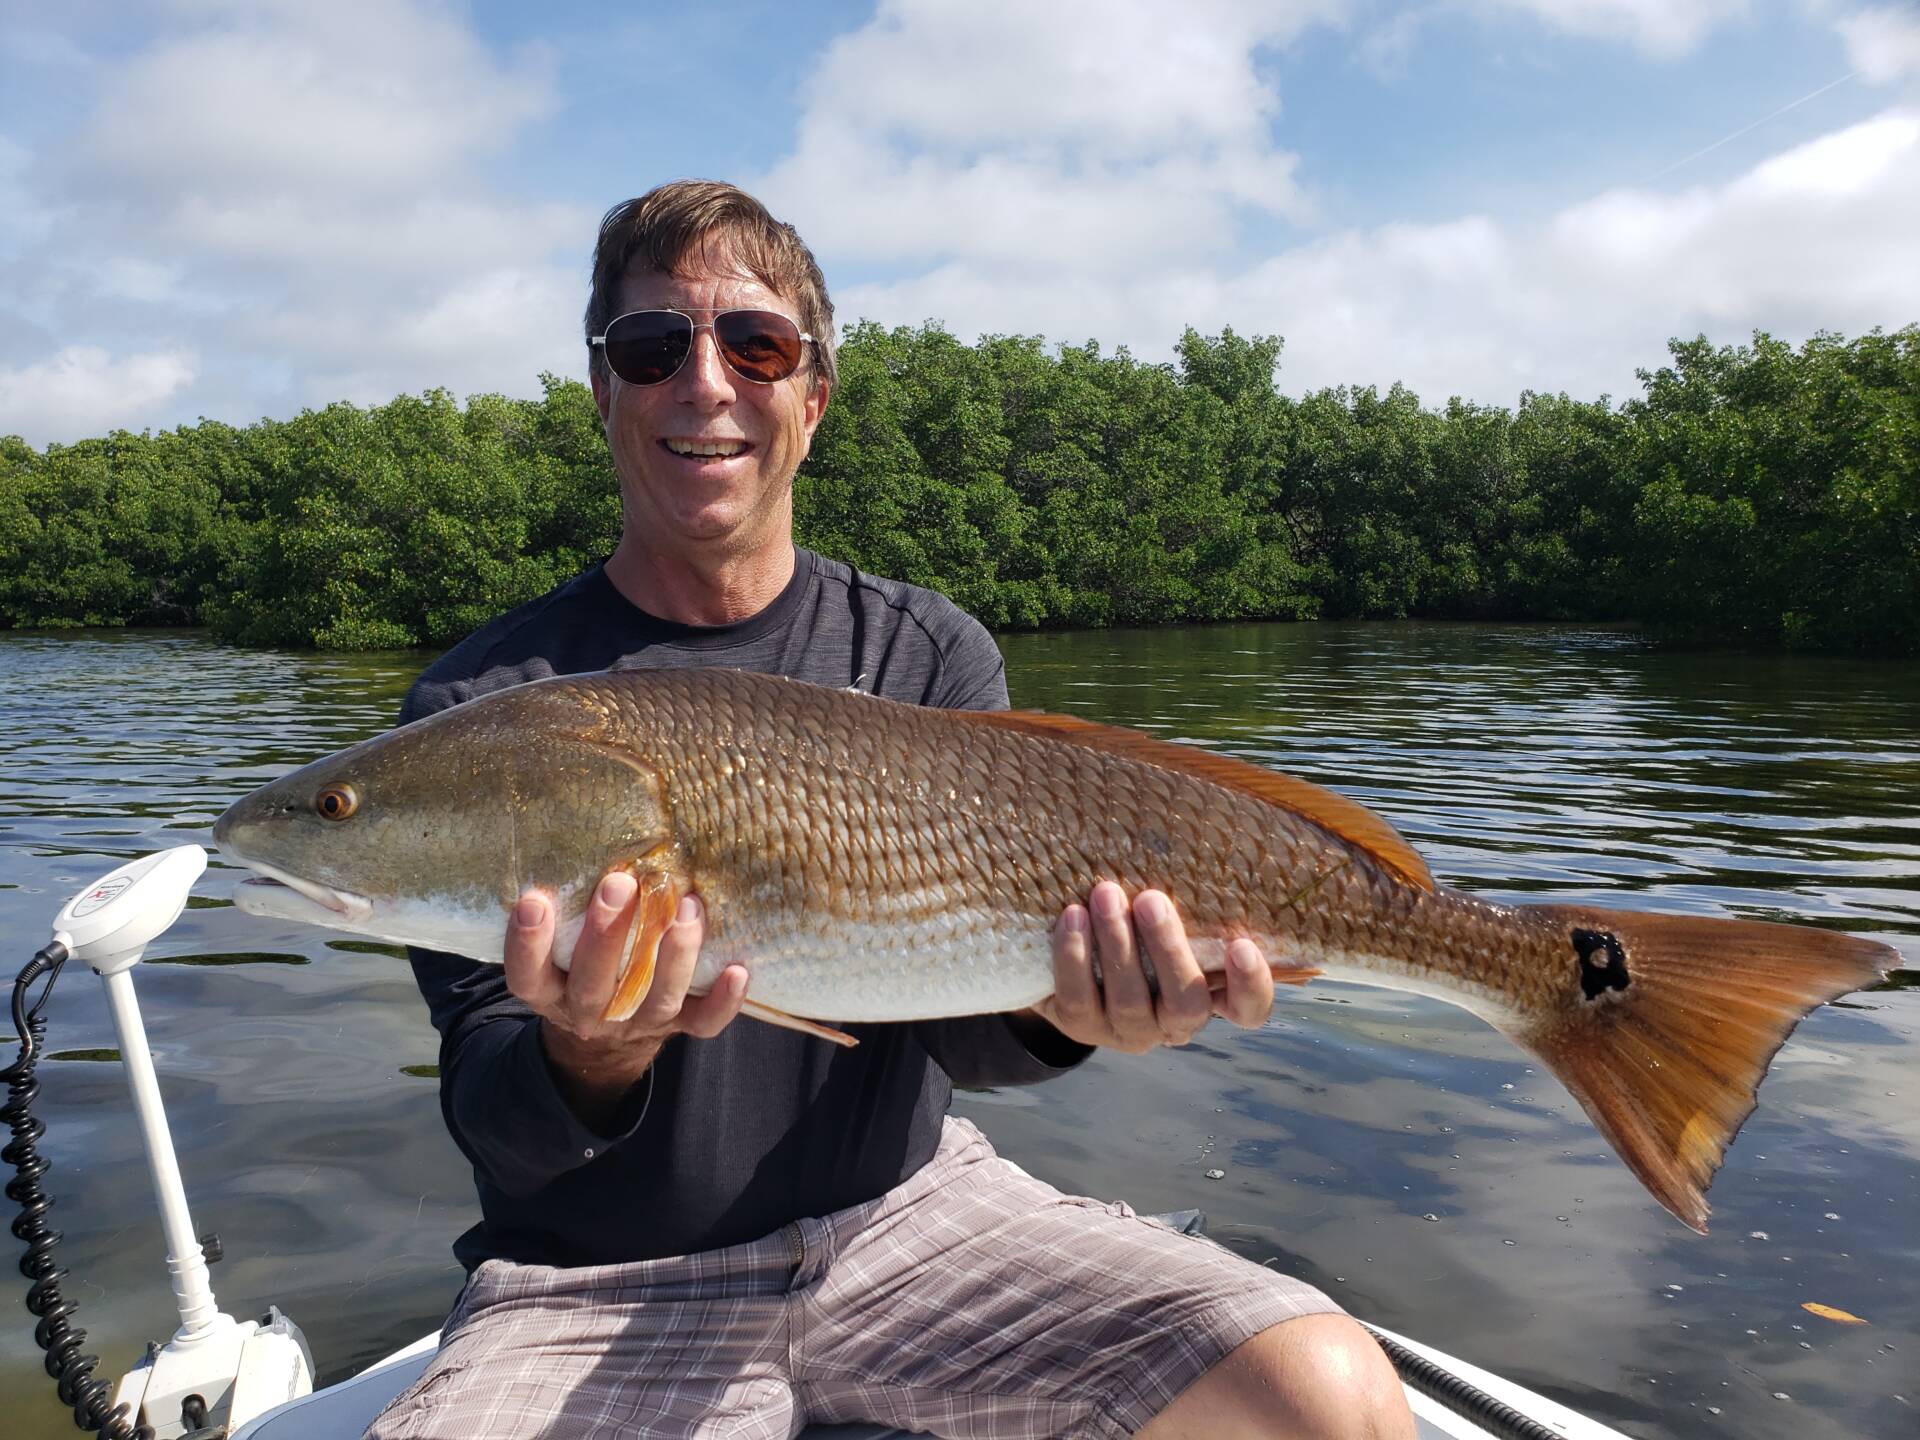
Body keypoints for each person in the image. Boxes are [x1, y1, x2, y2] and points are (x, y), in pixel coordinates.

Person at [367, 181, 1413, 1440]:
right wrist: (593, 1051)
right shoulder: (485, 710)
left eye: (755, 345)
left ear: (813, 396)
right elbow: (497, 1115)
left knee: (1328, 1397)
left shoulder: (927, 652)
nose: (705, 384)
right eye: (652, 348)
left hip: (917, 1223)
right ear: (603, 392)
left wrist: (1076, 1006)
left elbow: (967, 1042)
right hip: (592, 1282)